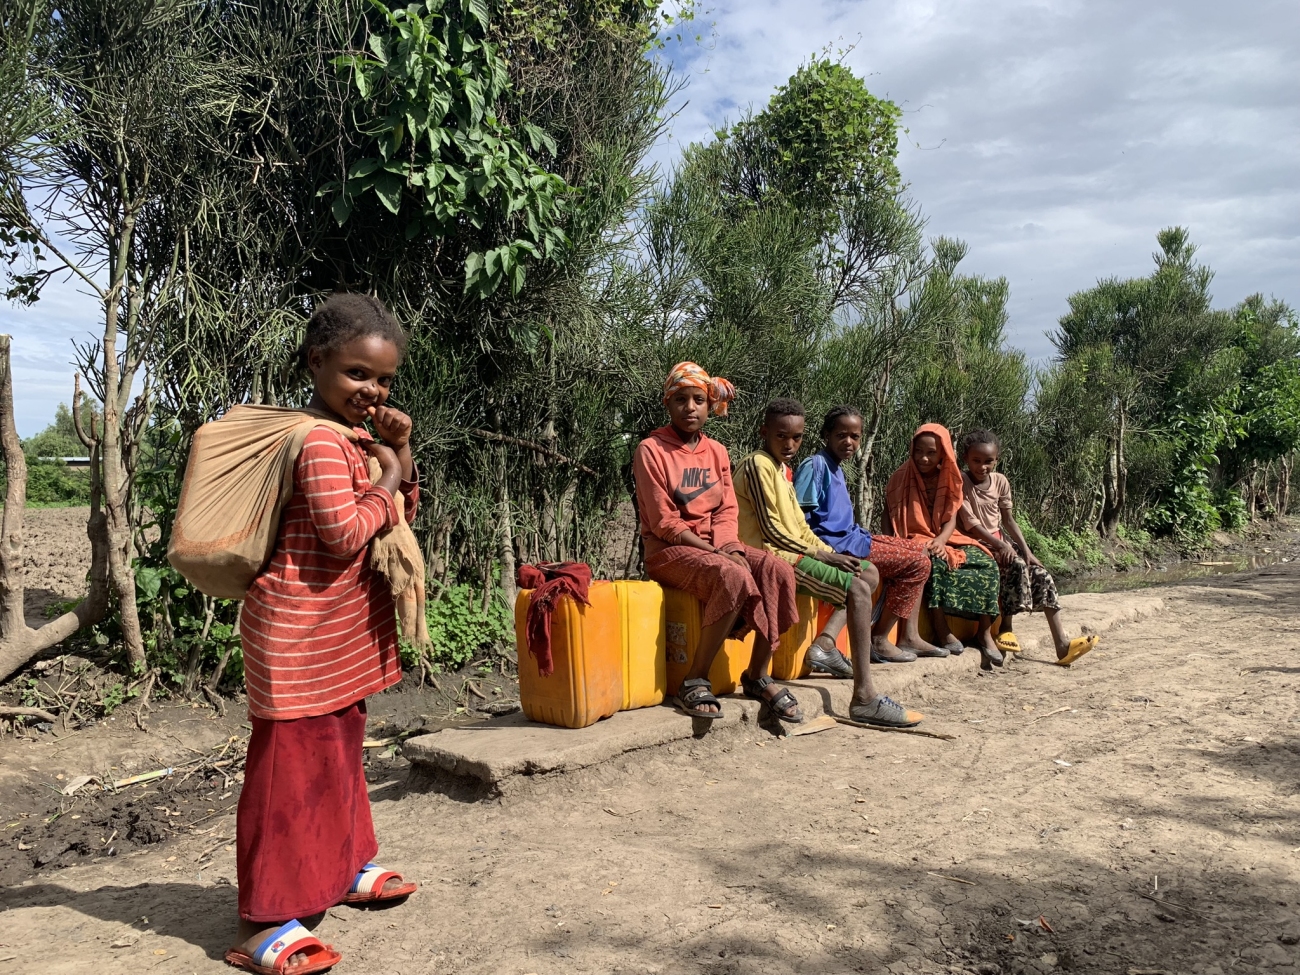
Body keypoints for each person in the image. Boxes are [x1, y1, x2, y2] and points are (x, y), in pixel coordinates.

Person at [225, 294, 420, 975]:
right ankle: (262, 918)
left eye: (384, 379)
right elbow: (343, 534)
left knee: (339, 758)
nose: (373, 390)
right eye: (358, 374)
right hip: (297, 636)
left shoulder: (352, 438)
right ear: (317, 363)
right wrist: (390, 471)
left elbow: (391, 507)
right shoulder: (315, 439)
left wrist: (397, 450)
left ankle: (342, 866)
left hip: (338, 637)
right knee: (287, 778)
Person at [734, 399, 925, 728]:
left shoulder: (781, 468)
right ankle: (865, 697)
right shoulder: (758, 465)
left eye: (796, 437)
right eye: (782, 436)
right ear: (764, 433)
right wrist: (823, 555)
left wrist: (829, 552)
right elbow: (773, 531)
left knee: (866, 571)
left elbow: (801, 527)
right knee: (858, 590)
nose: (790, 444)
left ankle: (826, 645)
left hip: (793, 551)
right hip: (772, 555)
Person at [632, 362, 803, 723]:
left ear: (710, 406)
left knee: (777, 569)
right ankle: (694, 679)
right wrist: (716, 553)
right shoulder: (651, 450)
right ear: (668, 404)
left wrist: (731, 548)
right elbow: (663, 521)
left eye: (698, 399)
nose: (689, 407)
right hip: (670, 551)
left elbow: (727, 512)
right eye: (680, 399)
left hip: (717, 548)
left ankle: (757, 675)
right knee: (733, 576)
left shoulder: (717, 452)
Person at [795, 405, 945, 664]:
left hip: (854, 538)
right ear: (826, 435)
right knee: (918, 563)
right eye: (841, 435)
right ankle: (880, 639)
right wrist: (823, 555)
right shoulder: (816, 465)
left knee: (920, 550)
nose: (849, 442)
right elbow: (799, 518)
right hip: (837, 545)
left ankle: (909, 635)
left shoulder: (837, 467)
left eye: (855, 436)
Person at [958, 429, 1099, 666]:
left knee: (1041, 574)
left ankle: (1061, 645)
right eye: (976, 461)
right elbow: (970, 525)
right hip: (976, 543)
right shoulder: (960, 483)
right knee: (1015, 564)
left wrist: (1027, 550)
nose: (982, 467)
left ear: (997, 460)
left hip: (1000, 541)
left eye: (988, 462)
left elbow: (1008, 520)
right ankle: (1006, 628)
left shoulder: (1000, 481)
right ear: (966, 459)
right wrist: (1002, 546)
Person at [883, 423, 1005, 670]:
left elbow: (951, 517)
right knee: (933, 564)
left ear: (943, 454)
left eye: (931, 453)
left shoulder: (949, 477)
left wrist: (939, 540)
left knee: (987, 562)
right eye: (919, 451)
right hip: (911, 538)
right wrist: (897, 544)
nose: (924, 458)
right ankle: (942, 631)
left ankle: (984, 632)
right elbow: (890, 514)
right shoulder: (900, 478)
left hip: (945, 538)